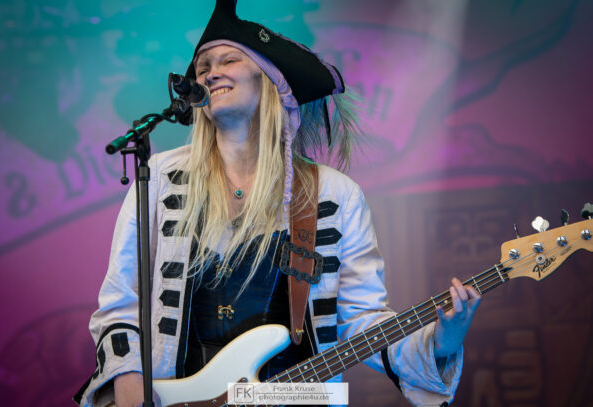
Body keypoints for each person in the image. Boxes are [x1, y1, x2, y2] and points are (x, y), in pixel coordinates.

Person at [74, 1, 481, 406]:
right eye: (202, 67)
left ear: (273, 82)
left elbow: (363, 322)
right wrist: (128, 383)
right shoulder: (161, 179)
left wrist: (440, 343)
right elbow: (120, 302)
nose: (210, 73)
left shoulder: (334, 195)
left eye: (228, 60)